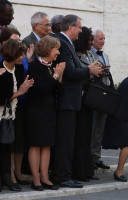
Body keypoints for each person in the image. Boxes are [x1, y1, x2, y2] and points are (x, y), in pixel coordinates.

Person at [50, 15, 101, 188]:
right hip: (66, 99)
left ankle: (65, 174)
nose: (81, 31)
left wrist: (86, 69)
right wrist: (89, 70)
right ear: (71, 27)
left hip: (70, 100)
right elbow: (70, 72)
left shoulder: (66, 42)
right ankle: (62, 176)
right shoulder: (62, 42)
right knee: (65, 140)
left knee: (69, 139)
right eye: (79, 27)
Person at [27, 36, 65, 191]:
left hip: (49, 111)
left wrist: (59, 76)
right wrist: (56, 75)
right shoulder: (35, 66)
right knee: (36, 145)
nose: (58, 52)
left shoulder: (52, 66)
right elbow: (43, 88)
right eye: (56, 49)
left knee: (47, 146)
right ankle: (35, 179)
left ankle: (45, 177)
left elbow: (59, 91)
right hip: (36, 112)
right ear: (48, 49)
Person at [0, 27, 34, 186]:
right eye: (20, 54)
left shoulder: (19, 67)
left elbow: (20, 86)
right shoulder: (1, 70)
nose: (23, 57)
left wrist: (22, 90)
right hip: (1, 114)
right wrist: (19, 92)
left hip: (12, 114)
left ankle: (8, 178)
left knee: (8, 147)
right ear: (13, 54)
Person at [72, 26, 99, 182]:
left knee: (87, 136)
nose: (92, 42)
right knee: (80, 137)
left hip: (89, 99)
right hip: (80, 99)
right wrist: (90, 72)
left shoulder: (88, 54)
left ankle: (88, 170)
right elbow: (77, 74)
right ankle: (80, 171)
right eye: (89, 39)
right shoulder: (75, 54)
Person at [90, 29, 111, 170]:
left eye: (104, 39)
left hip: (105, 94)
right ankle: (89, 158)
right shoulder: (88, 53)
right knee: (92, 127)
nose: (103, 41)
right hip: (93, 94)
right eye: (100, 39)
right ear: (93, 39)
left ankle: (96, 157)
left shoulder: (105, 55)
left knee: (100, 128)